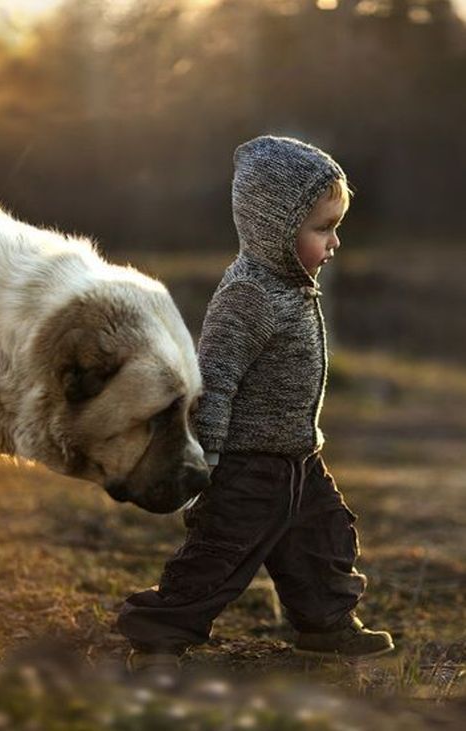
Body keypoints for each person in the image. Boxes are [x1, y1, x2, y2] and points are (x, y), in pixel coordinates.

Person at [116, 135, 394, 676]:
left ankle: (325, 625)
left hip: (298, 458)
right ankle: (160, 632)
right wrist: (208, 458)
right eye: (322, 228)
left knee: (325, 538)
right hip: (246, 464)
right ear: (276, 229)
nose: (334, 242)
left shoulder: (294, 285)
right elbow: (213, 381)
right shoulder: (250, 295)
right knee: (221, 553)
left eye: (335, 226)